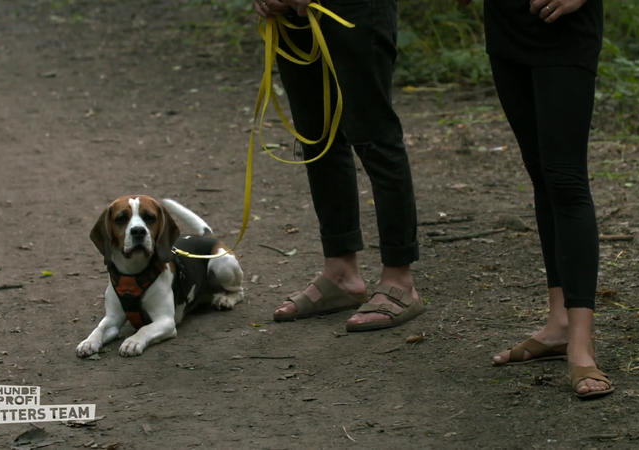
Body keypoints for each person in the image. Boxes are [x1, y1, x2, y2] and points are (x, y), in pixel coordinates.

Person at [460, 0, 612, 398]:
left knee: (565, 179)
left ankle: (582, 343)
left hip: (566, 25)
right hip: (507, 26)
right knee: (543, 176)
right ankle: (559, 323)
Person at [253, 0, 425, 331]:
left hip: (354, 8)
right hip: (290, 13)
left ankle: (399, 280)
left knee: (374, 137)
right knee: (317, 137)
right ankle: (341, 273)